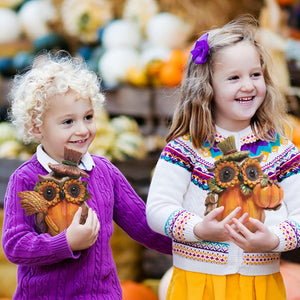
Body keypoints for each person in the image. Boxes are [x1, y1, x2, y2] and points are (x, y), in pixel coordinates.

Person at [146, 15, 300, 300]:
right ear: (207, 87)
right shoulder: (186, 149)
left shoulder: (282, 152)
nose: (248, 86)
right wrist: (198, 228)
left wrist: (276, 238)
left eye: (255, 75)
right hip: (197, 283)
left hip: (260, 286)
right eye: (234, 78)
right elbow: (157, 208)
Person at [2, 51, 172, 300]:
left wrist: (194, 242)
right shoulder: (25, 179)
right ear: (37, 127)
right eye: (68, 122)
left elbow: (144, 226)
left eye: (88, 117)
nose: (82, 129)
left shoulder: (104, 172)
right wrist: (66, 242)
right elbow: (15, 245)